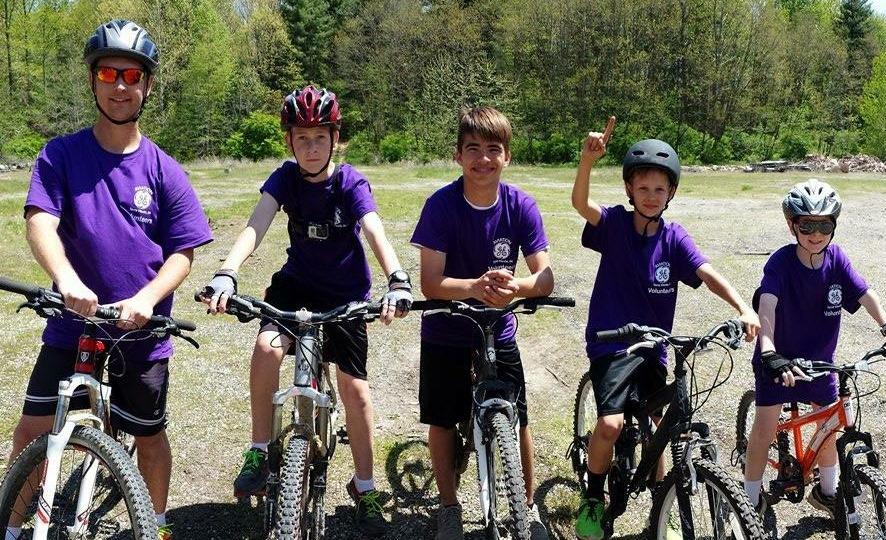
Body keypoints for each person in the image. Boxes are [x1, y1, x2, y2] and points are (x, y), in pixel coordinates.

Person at [4, 19, 212, 540]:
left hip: (140, 332)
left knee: (149, 437)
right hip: (72, 325)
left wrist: (149, 297)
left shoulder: (164, 169)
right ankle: (11, 527)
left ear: (148, 85)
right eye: (108, 74)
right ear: (92, 80)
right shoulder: (60, 155)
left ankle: (153, 525)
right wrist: (66, 279)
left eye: (131, 75)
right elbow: (40, 221)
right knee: (32, 433)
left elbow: (183, 252)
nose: (120, 85)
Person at [201, 85, 411, 537]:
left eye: (320, 137)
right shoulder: (285, 178)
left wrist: (397, 278)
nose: (311, 147)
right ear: (289, 142)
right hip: (295, 288)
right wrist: (226, 272)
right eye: (302, 138)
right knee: (266, 348)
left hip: (345, 296)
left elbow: (373, 229)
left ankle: (366, 487)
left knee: (356, 392)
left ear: (336, 139)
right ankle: (259, 450)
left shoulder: (349, 182)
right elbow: (256, 225)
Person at [571, 118, 760, 540]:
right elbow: (581, 205)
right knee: (610, 425)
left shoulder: (674, 238)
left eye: (660, 189)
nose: (651, 196)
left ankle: (663, 504)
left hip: (653, 348)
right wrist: (587, 161)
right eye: (643, 188)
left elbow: (706, 272)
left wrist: (743, 307)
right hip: (612, 346)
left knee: (663, 425)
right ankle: (594, 496)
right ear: (629, 189)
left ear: (671, 192)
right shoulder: (615, 225)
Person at [410, 106, 554, 540]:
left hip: (498, 329)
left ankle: (527, 508)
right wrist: (474, 286)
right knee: (442, 420)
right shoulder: (441, 205)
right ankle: (449, 507)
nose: (483, 158)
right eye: (472, 148)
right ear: (458, 155)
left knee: (518, 419)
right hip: (446, 329)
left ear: (507, 156)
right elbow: (430, 282)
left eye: (494, 149)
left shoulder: (520, 205)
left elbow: (545, 278)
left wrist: (518, 288)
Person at [742, 178, 886, 515]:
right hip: (778, 360)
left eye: (824, 225)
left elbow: (865, 293)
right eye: (807, 225)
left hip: (820, 362)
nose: (816, 234)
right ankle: (749, 501)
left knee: (830, 427)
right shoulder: (780, 262)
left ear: (834, 225)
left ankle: (827, 493)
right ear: (792, 225)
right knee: (764, 429)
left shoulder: (837, 259)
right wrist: (769, 350)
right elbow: (767, 304)